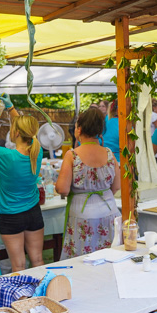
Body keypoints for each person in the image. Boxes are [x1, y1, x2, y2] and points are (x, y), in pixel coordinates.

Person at [0, 98, 45, 272]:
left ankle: (23, 299)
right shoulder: (37, 152)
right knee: (37, 260)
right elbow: (24, 129)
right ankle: (43, 296)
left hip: (11, 216)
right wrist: (11, 108)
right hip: (33, 212)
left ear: (14, 133)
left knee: (19, 265)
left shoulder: (5, 155)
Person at [55, 108, 121, 259]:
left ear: (79, 129)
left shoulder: (72, 155)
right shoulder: (110, 154)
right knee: (108, 260)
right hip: (109, 212)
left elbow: (62, 189)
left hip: (82, 214)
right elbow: (116, 186)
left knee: (82, 262)